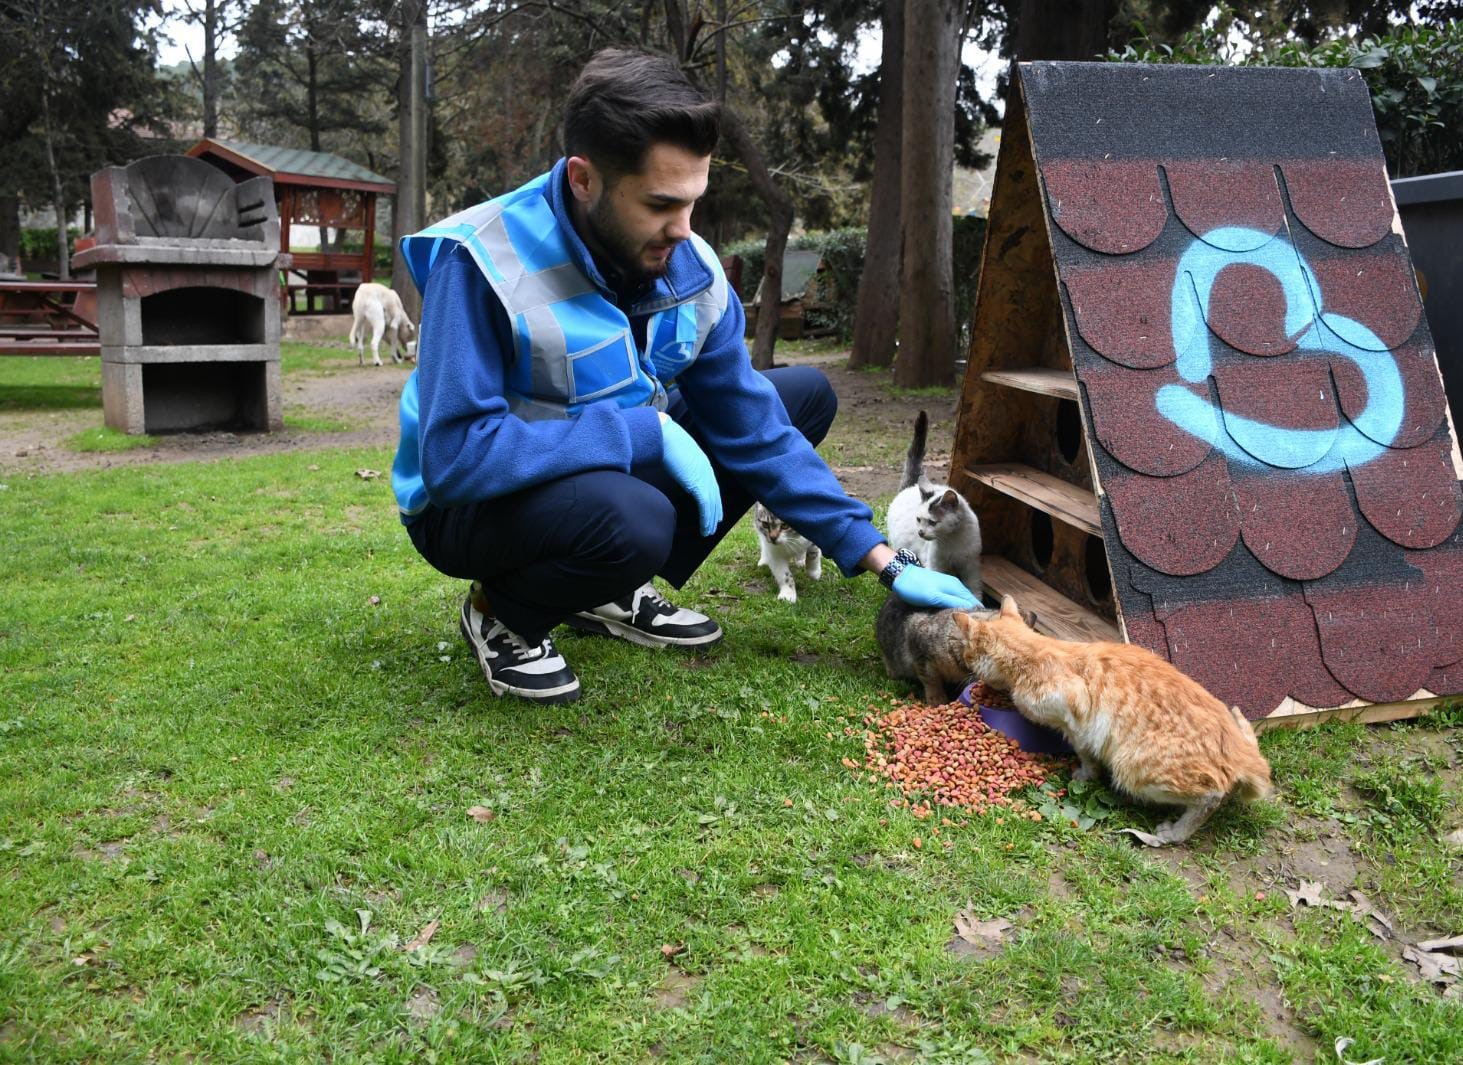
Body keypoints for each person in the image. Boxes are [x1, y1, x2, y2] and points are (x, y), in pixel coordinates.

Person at [391, 47, 979, 705]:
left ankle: (605, 589)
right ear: (583, 180)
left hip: (591, 481)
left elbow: (754, 430)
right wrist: (640, 433)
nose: (683, 231)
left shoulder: (688, 266)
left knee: (800, 397)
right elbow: (454, 459)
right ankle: (503, 613)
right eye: (659, 204)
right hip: (466, 506)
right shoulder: (482, 263)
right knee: (634, 518)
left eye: (693, 202)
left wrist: (880, 555)